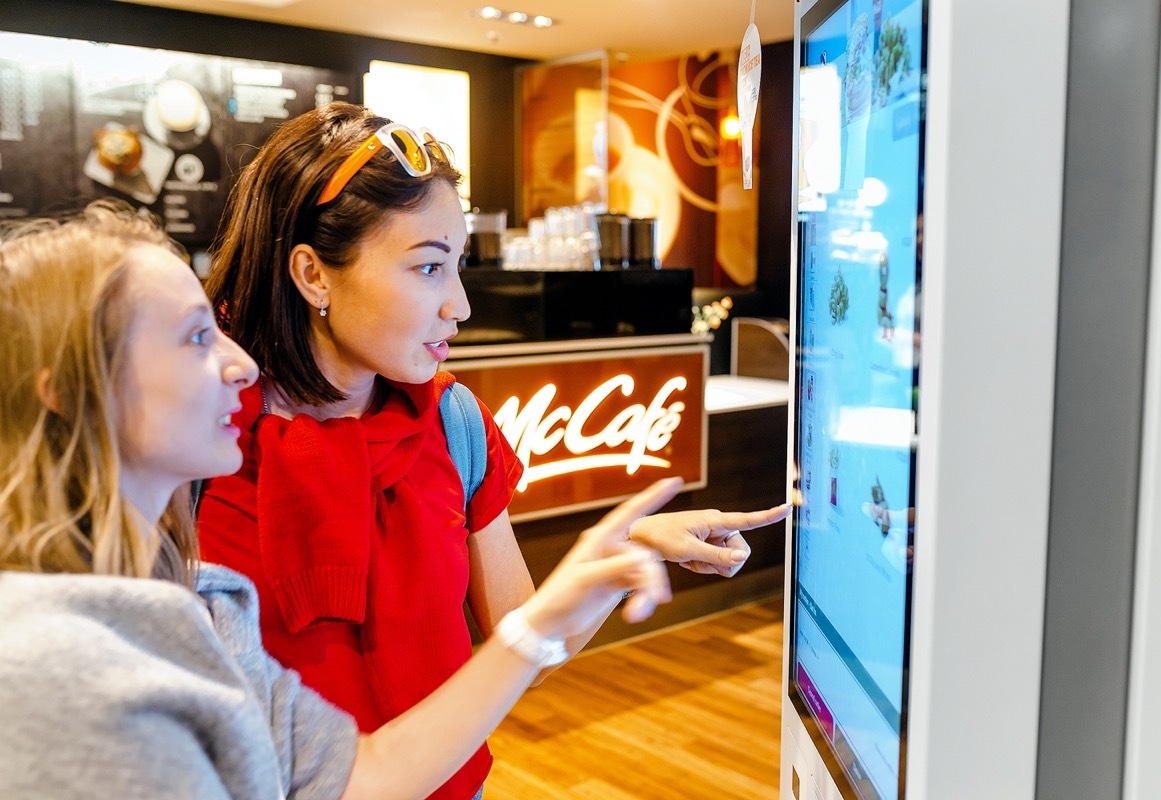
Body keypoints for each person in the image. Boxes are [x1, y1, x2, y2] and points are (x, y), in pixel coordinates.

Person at [197, 101, 789, 799]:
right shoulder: (199, 436)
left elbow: (525, 648)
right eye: (427, 269)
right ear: (313, 274)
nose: (460, 305)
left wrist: (624, 555)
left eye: (458, 267)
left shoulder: (454, 422)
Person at [0, 200, 682, 799]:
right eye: (198, 337)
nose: (237, 364)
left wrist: (578, 593)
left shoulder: (202, 602)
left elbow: (356, 776)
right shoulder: (50, 663)